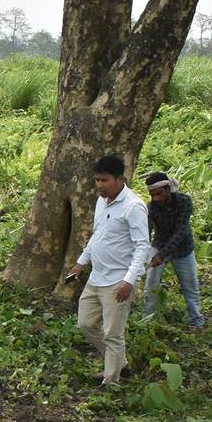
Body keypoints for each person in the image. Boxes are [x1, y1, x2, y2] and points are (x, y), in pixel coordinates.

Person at [66, 154, 149, 387]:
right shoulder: (101, 202)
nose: (99, 186)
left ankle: (110, 381)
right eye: (97, 181)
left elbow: (142, 246)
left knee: (113, 333)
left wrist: (129, 280)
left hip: (118, 280)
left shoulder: (133, 207)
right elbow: (98, 235)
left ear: (120, 179)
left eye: (104, 181)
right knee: (86, 323)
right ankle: (120, 364)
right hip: (97, 276)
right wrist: (81, 263)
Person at [142, 171, 203, 329]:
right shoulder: (152, 207)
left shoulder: (184, 202)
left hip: (183, 249)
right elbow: (145, 231)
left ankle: (196, 323)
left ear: (168, 188)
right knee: (151, 286)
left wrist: (161, 256)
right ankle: (147, 323)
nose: (156, 198)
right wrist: (144, 253)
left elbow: (180, 232)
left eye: (159, 194)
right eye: (152, 195)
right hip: (159, 245)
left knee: (190, 287)